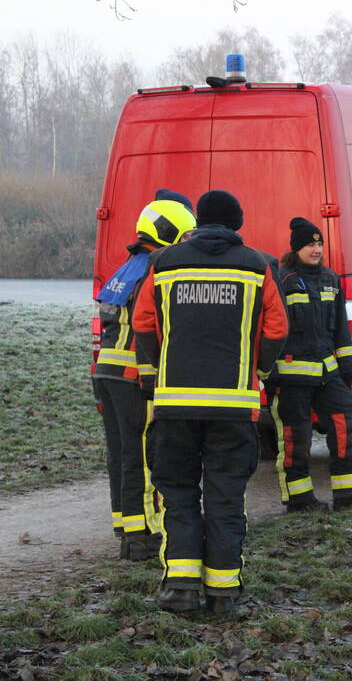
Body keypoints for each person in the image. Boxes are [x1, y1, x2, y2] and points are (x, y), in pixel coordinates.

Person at [133, 190, 288, 614]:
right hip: (233, 404)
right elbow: (276, 328)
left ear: (197, 221)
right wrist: (260, 369)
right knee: (225, 495)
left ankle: (180, 588)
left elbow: (142, 322)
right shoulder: (258, 265)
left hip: (174, 402)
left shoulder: (163, 263)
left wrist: (160, 360)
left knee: (178, 492)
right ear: (237, 223)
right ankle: (223, 592)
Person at [93, 189, 196, 561]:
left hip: (107, 372)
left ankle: (124, 525)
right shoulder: (155, 269)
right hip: (135, 375)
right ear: (170, 233)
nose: (187, 245)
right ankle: (141, 536)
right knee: (143, 455)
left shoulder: (125, 267)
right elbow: (154, 325)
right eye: (185, 237)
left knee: (120, 454)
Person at [271, 217, 352, 511]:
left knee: (347, 429)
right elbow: (272, 329)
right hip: (292, 378)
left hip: (330, 374)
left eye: (319, 244)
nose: (316, 250)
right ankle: (300, 500)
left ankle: (349, 497)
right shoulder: (282, 280)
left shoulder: (330, 279)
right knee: (295, 440)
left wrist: (347, 366)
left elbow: (340, 327)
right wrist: (271, 374)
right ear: (296, 248)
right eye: (310, 245)